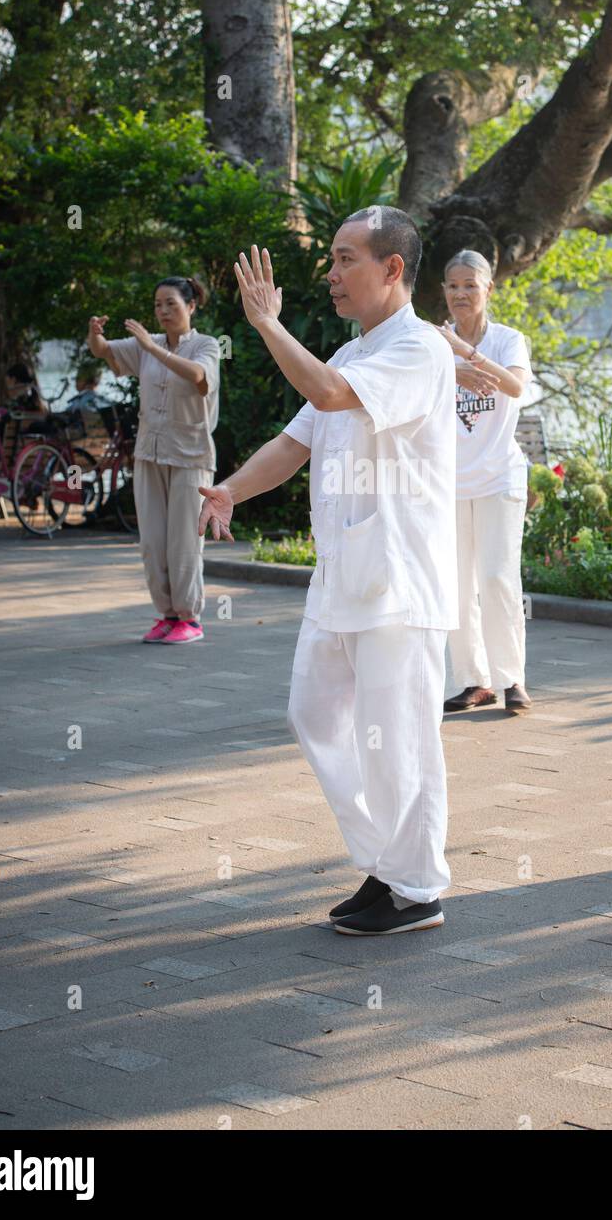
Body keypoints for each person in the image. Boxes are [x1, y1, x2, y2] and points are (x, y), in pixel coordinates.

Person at [197, 214, 458, 936]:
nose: (333, 274)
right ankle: (389, 863)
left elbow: (332, 396)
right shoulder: (351, 352)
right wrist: (229, 491)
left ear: (393, 269)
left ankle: (417, 889)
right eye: (333, 260)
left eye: (346, 260)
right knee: (314, 714)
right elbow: (294, 441)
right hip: (343, 574)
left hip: (399, 581)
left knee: (398, 735)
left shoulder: (419, 349)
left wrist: (267, 326)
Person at [87, 276, 220, 643]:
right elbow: (105, 352)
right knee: (153, 541)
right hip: (150, 453)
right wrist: (95, 335)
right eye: (158, 305)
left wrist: (151, 346)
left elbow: (198, 376)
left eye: (171, 304)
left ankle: (190, 620)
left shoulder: (206, 346)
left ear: (191, 306)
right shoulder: (146, 344)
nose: (162, 312)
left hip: (191, 457)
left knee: (184, 543)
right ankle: (167, 614)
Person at [437, 249, 534, 714]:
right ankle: (475, 681)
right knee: (455, 585)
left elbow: (515, 387)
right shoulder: (432, 341)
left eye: (470, 285)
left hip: (499, 478)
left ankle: (511, 678)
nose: (460, 293)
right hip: (448, 484)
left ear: (488, 289)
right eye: (453, 286)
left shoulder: (509, 340)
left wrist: (466, 354)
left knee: (496, 578)